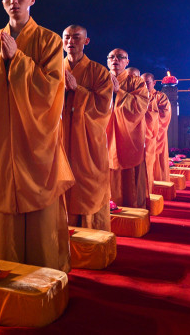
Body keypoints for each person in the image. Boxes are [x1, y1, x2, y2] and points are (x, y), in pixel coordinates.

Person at [0, 0, 74, 272]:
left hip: (35, 138)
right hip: (1, 137)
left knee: (39, 196)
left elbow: (52, 88)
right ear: (2, 2)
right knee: (1, 191)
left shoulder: (49, 40)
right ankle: (1, 265)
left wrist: (18, 60)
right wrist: (0, 64)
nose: (13, 1)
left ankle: (44, 268)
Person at [61, 26, 112, 230]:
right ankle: (58, 229)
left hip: (87, 140)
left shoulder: (98, 72)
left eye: (76, 37)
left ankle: (90, 231)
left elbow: (103, 106)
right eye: (66, 37)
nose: (70, 41)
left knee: (87, 180)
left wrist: (77, 90)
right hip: (61, 135)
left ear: (86, 41)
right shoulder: (55, 68)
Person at [106, 49, 149, 209]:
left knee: (129, 172)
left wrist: (119, 92)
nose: (115, 60)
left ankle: (132, 206)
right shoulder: (100, 78)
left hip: (129, 134)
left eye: (120, 57)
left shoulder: (136, 82)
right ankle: (105, 206)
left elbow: (142, 104)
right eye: (111, 57)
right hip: (103, 132)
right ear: (107, 60)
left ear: (127, 61)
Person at [143, 73, 172, 183]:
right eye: (142, 83)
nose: (145, 86)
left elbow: (165, 115)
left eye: (147, 82)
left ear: (154, 83)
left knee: (158, 160)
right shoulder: (138, 96)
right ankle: (144, 184)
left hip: (157, 134)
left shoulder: (161, 97)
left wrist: (146, 114)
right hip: (141, 135)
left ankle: (159, 185)